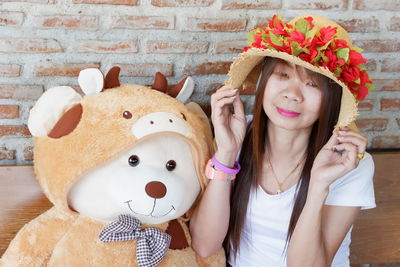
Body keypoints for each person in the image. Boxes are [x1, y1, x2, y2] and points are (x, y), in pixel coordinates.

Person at [189, 14, 376, 267]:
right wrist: (226, 154)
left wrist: (319, 183)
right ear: (265, 80)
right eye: (283, 75)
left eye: (312, 84)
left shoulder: (349, 163)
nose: (292, 95)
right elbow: (204, 245)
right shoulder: (237, 135)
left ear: (332, 98)